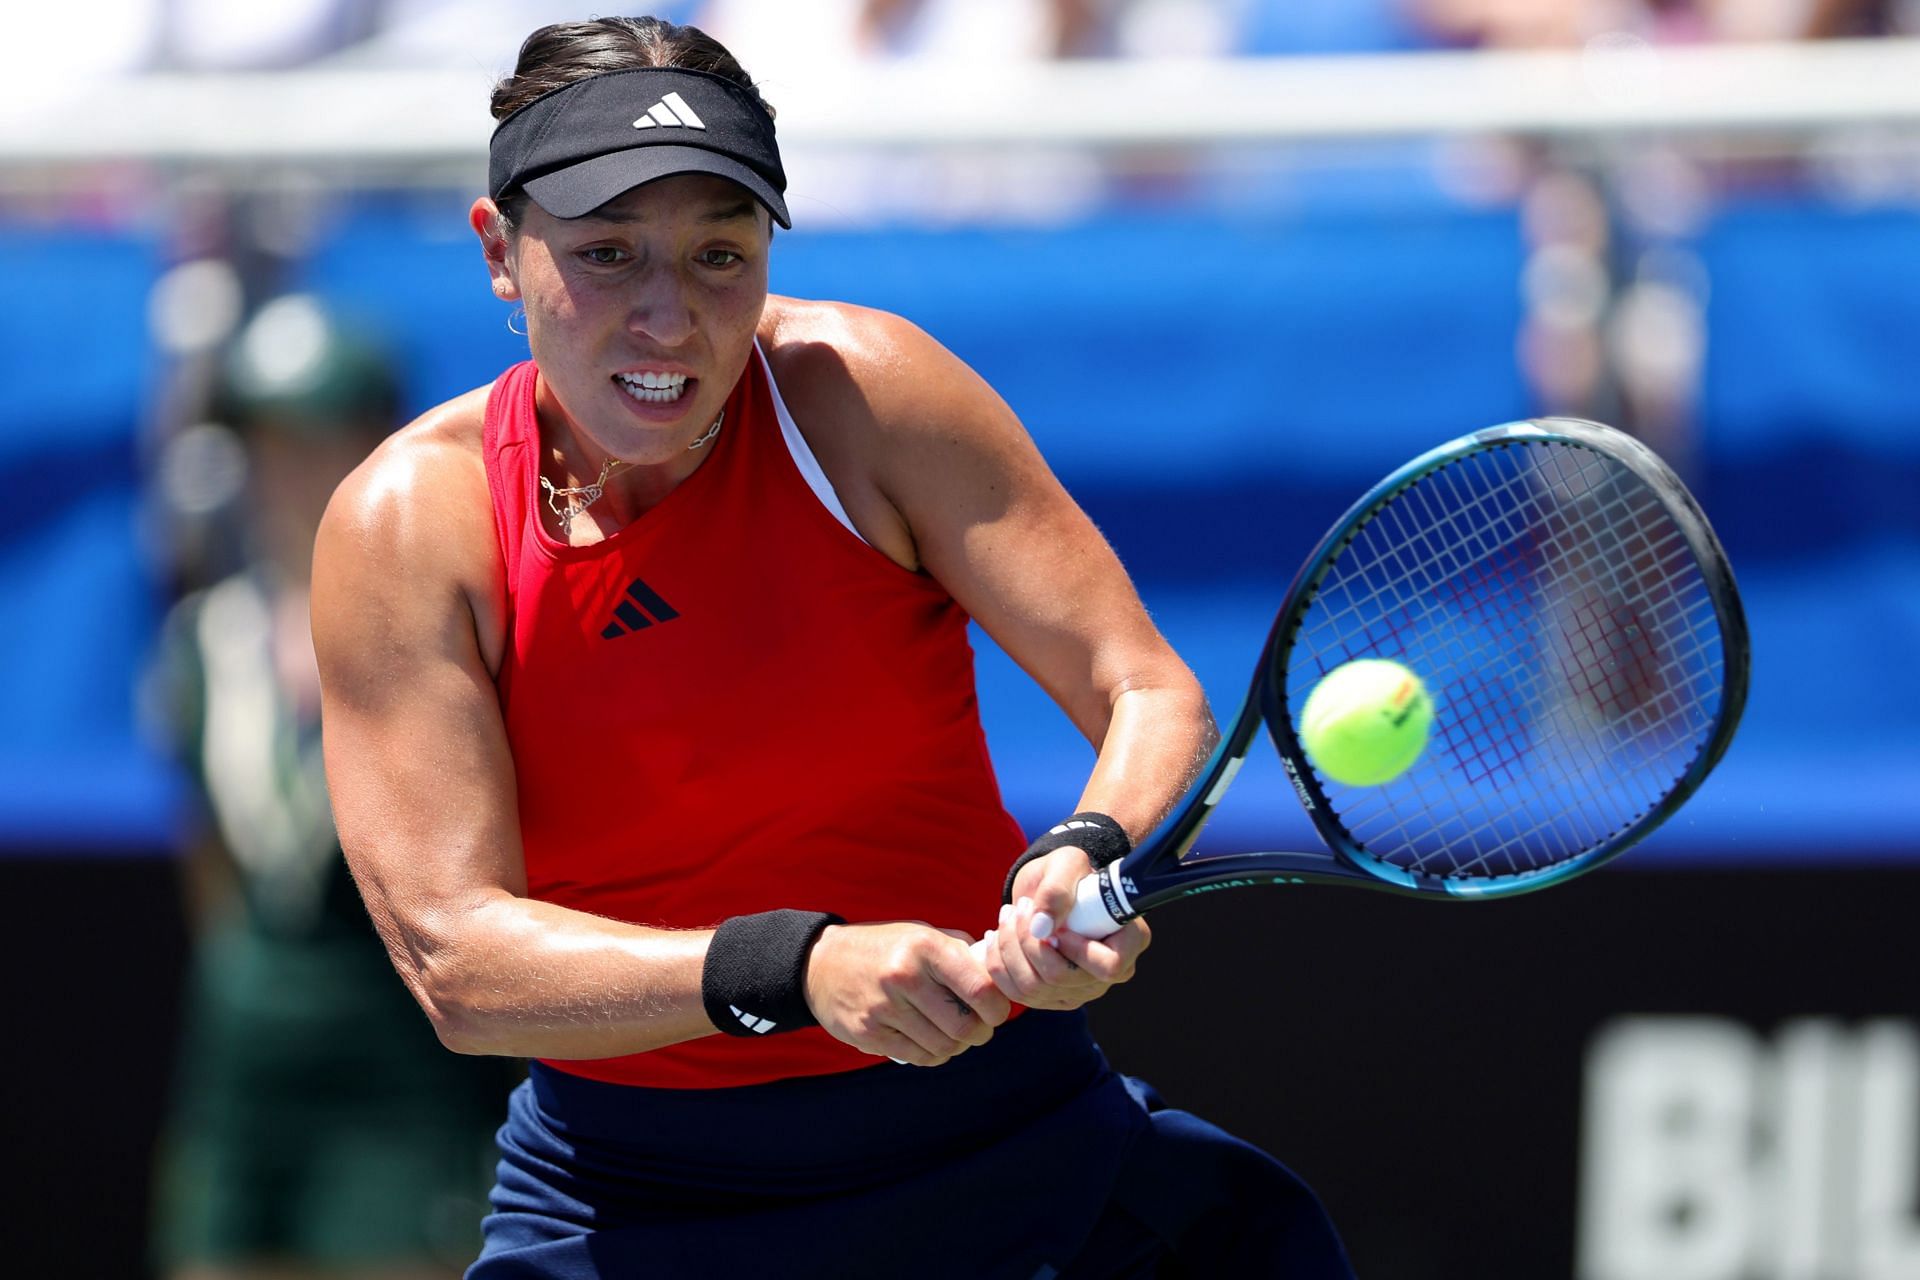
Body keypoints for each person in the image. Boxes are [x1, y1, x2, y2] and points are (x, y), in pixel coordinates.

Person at [311, 15, 1354, 1277]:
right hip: (627, 1198)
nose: (669, 317)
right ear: (499, 251)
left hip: (1010, 1145)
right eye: (605, 254)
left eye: (717, 253)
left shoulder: (863, 396)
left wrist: (1087, 856)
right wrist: (794, 966)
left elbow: (1140, 687)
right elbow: (457, 961)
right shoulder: (410, 524)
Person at [151, 295, 512, 1280]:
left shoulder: (443, 630)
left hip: (401, 1060)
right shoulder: (202, 642)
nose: (287, 478)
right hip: (245, 1049)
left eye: (317, 445)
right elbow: (210, 861)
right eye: (267, 449)